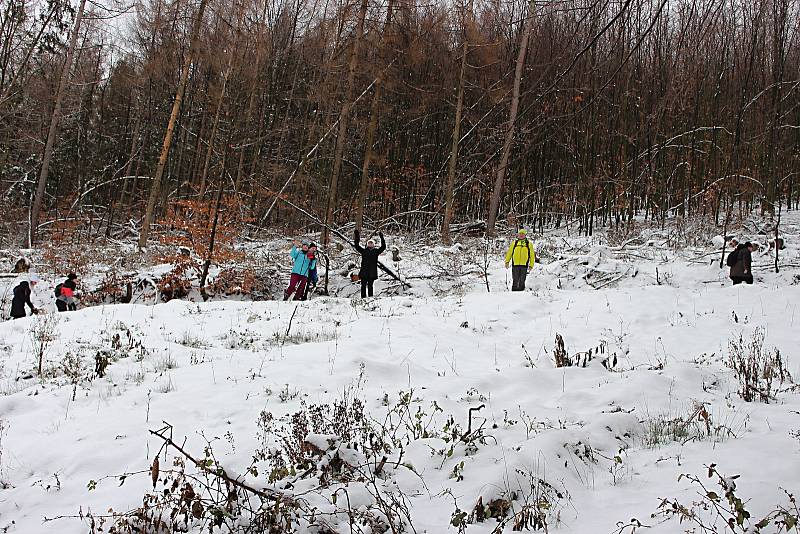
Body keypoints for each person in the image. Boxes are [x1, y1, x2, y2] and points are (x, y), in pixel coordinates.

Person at [354, 229, 385, 298]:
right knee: (363, 286)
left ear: (373, 245)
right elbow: (356, 246)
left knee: (370, 286)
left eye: (371, 243)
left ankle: (370, 299)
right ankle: (363, 299)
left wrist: (381, 237)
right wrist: (357, 236)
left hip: (372, 272)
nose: (370, 244)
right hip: (364, 271)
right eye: (369, 243)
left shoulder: (376, 251)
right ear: (367, 245)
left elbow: (383, 247)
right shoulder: (364, 251)